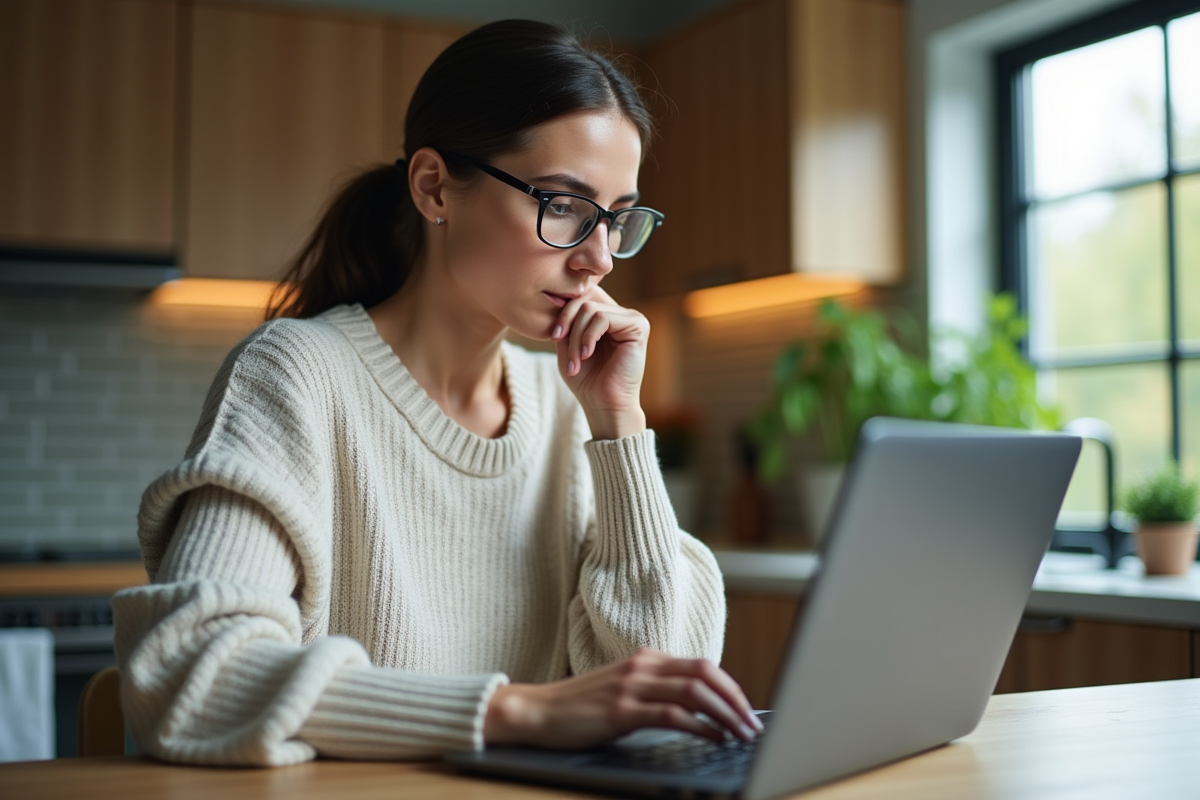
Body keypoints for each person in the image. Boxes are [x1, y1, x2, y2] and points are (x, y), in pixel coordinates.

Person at [111, 19, 760, 766]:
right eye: (564, 207)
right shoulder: (298, 375)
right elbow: (192, 672)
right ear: (434, 187)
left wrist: (618, 427)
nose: (598, 258)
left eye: (617, 220)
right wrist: (516, 710)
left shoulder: (565, 410)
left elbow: (658, 686)